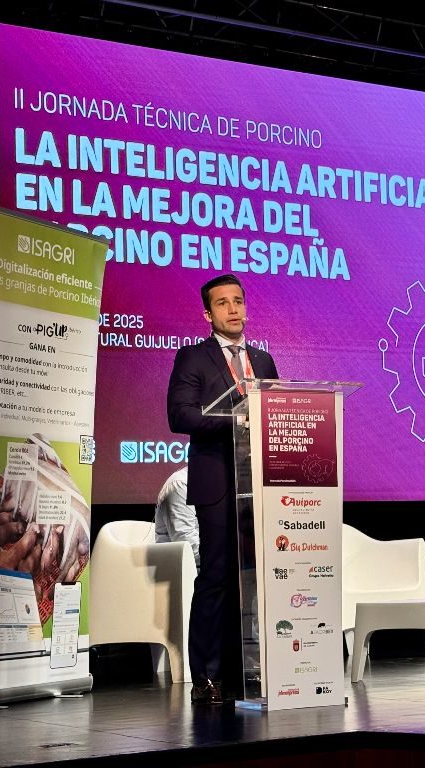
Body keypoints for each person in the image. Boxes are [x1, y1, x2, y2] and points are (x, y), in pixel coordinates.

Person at [167, 274, 278, 705]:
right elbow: (180, 416)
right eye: (222, 303)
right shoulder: (194, 357)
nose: (233, 309)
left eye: (238, 301)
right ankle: (207, 676)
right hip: (217, 481)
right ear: (207, 314)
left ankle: (247, 669)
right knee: (217, 576)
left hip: (260, 484)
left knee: (254, 578)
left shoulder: (263, 361)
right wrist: (238, 421)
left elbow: (277, 411)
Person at [154, 466, 200, 570]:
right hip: (181, 570)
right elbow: (187, 544)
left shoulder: (217, 485)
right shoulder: (180, 485)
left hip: (210, 566)